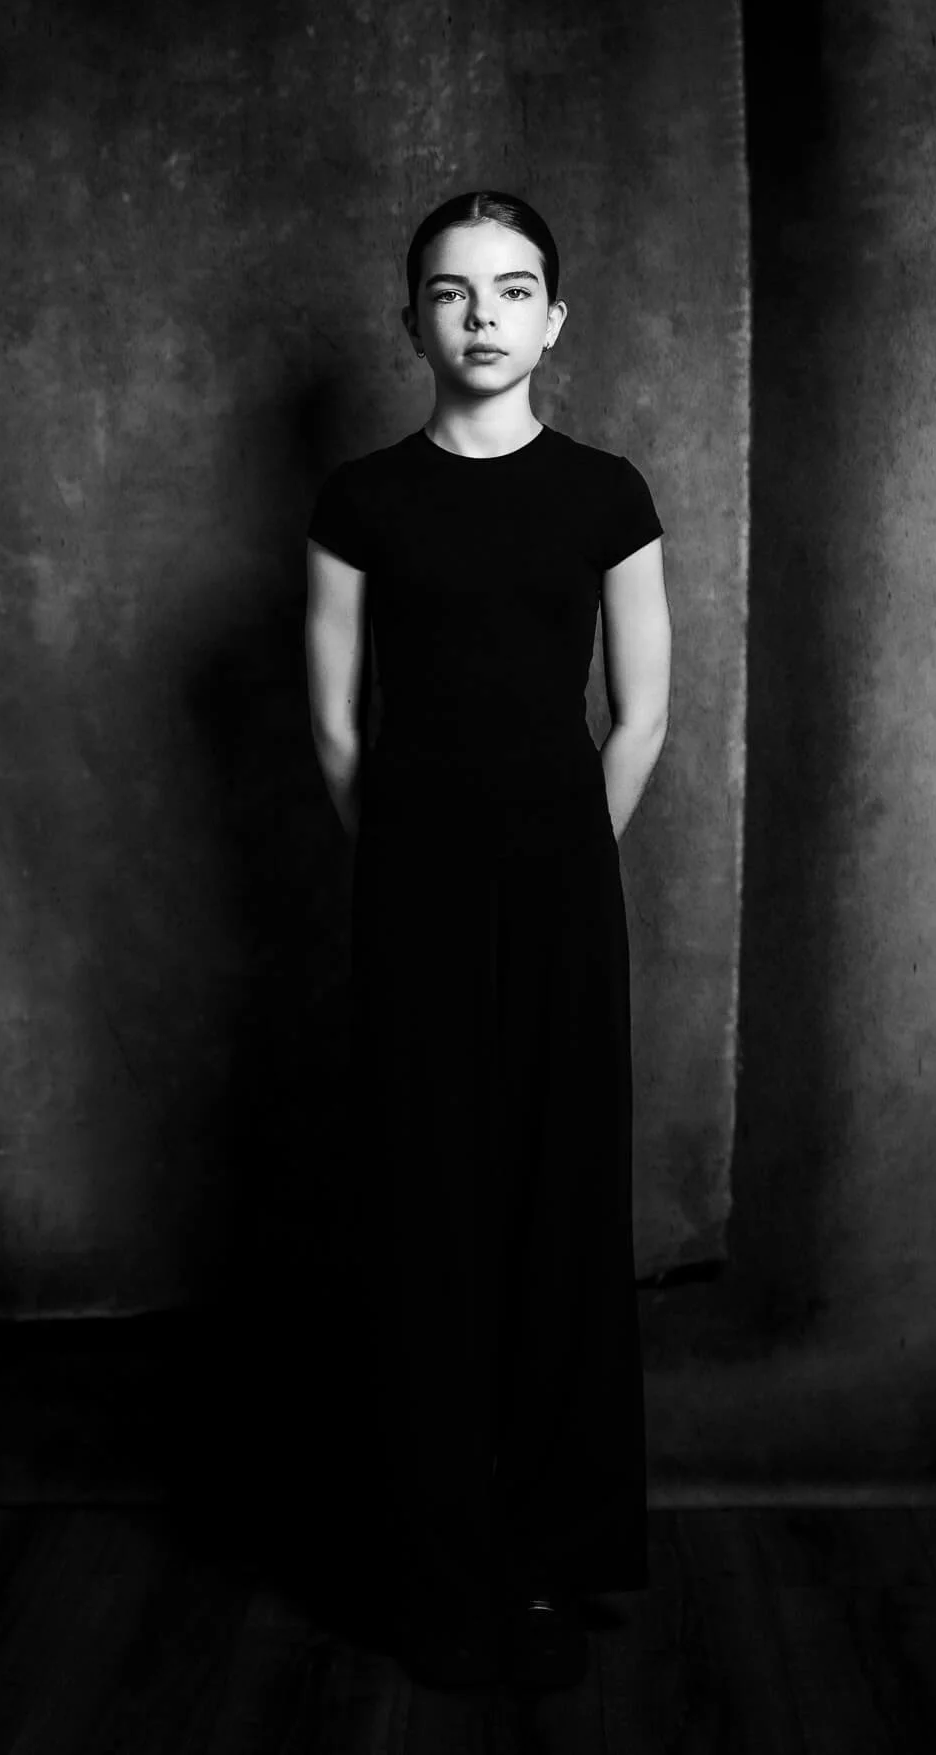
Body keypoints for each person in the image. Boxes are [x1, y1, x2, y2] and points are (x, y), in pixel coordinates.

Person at [303, 190, 671, 1691]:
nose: (482, 316)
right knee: (427, 1217)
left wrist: (563, 855)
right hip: (414, 898)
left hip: (564, 892)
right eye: (452, 293)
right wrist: (412, 862)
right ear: (412, 321)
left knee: (559, 1207)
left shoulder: (606, 495)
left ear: (554, 319)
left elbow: (642, 711)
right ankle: (435, 1564)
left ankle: (548, 1551)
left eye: (513, 290)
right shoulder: (360, 503)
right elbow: (339, 729)